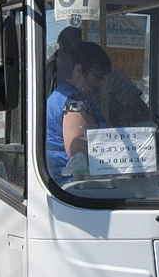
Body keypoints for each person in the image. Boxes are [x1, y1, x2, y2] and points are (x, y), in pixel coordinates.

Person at [46, 39, 111, 182]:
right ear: (79, 71)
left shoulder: (70, 95)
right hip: (68, 184)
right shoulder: (73, 101)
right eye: (98, 76)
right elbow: (77, 148)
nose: (102, 83)